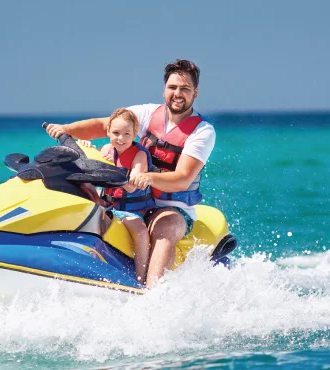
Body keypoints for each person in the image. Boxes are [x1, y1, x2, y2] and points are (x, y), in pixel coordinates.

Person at [46, 59, 215, 288]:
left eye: (184, 89)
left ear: (195, 92)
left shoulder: (202, 131)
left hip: (171, 208)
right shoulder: (146, 114)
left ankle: (152, 292)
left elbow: (183, 178)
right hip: (131, 202)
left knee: (163, 227)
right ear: (165, 88)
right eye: (172, 87)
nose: (177, 94)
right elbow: (103, 126)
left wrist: (148, 177)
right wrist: (67, 130)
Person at [78, 108, 155, 285]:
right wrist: (86, 148)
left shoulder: (139, 155)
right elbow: (88, 167)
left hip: (132, 210)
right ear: (107, 132)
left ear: (135, 133)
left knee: (141, 232)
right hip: (108, 205)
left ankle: (141, 278)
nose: (121, 138)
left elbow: (132, 186)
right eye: (116, 133)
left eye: (127, 134)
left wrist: (110, 167)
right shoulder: (105, 149)